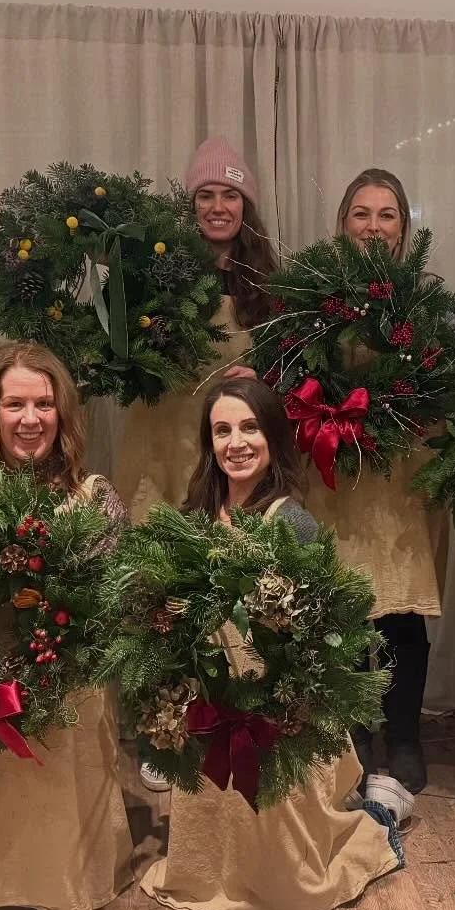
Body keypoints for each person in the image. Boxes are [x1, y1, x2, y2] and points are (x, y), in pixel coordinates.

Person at [137, 377, 408, 910]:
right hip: (209, 702)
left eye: (249, 428)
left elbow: (314, 633)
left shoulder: (291, 522)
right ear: (209, 443)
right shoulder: (194, 519)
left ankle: (377, 813)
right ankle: (211, 872)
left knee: (282, 855)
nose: (235, 442)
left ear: (272, 437)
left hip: (272, 709)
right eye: (221, 430)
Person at [0, 342, 134, 910]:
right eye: (15, 404)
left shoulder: (94, 498)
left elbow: (110, 609)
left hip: (65, 687)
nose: (30, 419)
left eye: (44, 404)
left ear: (62, 413)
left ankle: (63, 884)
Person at [114, 138, 279, 792]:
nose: (218, 206)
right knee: (163, 594)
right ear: (190, 206)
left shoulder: (265, 284)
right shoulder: (157, 272)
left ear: (247, 206)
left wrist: (257, 374)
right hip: (159, 450)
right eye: (205, 194)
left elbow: (290, 369)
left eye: (229, 195)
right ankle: (163, 728)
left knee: (231, 591)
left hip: (230, 458)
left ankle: (226, 723)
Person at [309, 168, 442, 795]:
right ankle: (356, 734)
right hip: (337, 474)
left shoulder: (425, 302)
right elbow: (294, 381)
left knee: (402, 613)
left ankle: (405, 730)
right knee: (345, 609)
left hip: (401, 476)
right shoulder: (313, 300)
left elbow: (442, 386)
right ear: (343, 225)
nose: (373, 226)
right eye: (361, 214)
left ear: (403, 228)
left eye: (386, 215)